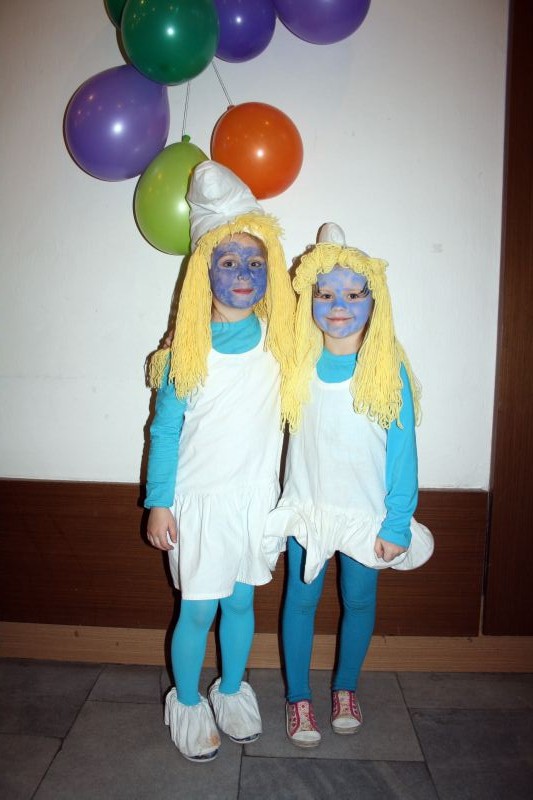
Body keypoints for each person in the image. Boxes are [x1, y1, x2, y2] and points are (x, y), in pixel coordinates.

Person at [145, 161, 295, 762]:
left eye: (255, 263)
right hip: (199, 502)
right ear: (204, 271)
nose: (243, 274)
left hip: (253, 498)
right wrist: (159, 502)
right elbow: (165, 430)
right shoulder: (187, 349)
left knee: (241, 602)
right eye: (228, 262)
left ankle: (231, 690)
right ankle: (186, 700)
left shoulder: (280, 341)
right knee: (198, 607)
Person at [264, 222, 434, 747]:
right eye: (326, 294)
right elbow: (249, 335)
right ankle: (298, 698)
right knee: (300, 601)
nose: (339, 305)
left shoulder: (386, 369)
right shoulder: (296, 361)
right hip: (309, 509)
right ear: (309, 300)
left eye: (354, 294)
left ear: (374, 301)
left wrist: (397, 521)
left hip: (365, 515)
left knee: (358, 602)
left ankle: (345, 689)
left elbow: (403, 452)